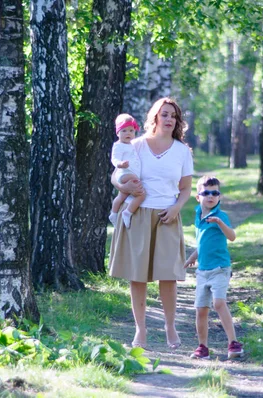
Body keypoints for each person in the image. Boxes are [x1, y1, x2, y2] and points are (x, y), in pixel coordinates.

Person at [109, 98, 193, 349]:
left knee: (168, 276)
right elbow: (117, 175)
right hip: (137, 214)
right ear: (154, 118)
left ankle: (170, 327)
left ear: (177, 122)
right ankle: (141, 331)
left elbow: (186, 188)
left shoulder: (181, 151)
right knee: (138, 277)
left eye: (173, 116)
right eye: (164, 114)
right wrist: (121, 186)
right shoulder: (135, 145)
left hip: (167, 216)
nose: (169, 119)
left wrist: (177, 207)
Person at [184, 175, 244, 360]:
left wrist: (220, 223)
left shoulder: (220, 216)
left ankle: (233, 343)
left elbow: (232, 237)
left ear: (219, 196)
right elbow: (202, 243)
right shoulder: (198, 216)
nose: (211, 196)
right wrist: (191, 258)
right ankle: (202, 347)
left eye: (215, 193)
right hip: (203, 271)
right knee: (201, 309)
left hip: (220, 268)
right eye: (206, 192)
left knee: (218, 303)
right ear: (198, 197)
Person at [109, 114, 145, 228]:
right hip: (125, 173)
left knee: (121, 197)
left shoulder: (132, 145)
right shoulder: (118, 145)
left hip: (129, 173)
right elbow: (114, 158)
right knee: (142, 194)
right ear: (117, 133)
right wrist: (119, 164)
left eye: (131, 130)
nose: (128, 133)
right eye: (124, 131)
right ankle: (127, 212)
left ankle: (113, 214)